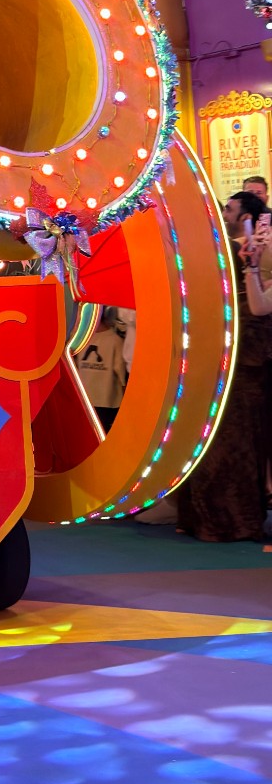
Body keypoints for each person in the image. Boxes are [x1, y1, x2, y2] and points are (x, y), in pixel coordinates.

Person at [175, 190, 272, 542]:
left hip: (252, 363)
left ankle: (234, 518)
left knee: (243, 443)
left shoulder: (244, 252)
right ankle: (215, 518)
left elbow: (259, 307)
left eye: (230, 210)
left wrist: (253, 264)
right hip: (232, 360)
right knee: (225, 441)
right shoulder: (234, 254)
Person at [75, 308, 128, 432]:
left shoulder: (80, 339)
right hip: (106, 400)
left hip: (87, 399)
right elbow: (121, 374)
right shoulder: (115, 340)